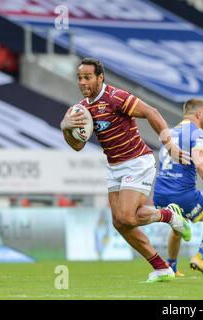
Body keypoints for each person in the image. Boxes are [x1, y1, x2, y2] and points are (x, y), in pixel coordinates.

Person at [60, 57, 192, 283]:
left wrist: (170, 145)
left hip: (137, 161)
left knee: (127, 217)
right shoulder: (80, 110)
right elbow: (78, 146)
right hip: (114, 167)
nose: (82, 82)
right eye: (79, 78)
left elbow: (152, 112)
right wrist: (66, 128)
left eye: (88, 77)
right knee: (120, 223)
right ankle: (161, 268)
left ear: (100, 77)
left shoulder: (115, 97)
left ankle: (170, 215)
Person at [153, 98, 203, 277]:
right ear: (199, 114)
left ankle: (172, 268)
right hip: (182, 195)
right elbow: (200, 164)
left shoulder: (170, 133)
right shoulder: (198, 134)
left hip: (159, 195)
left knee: (177, 227)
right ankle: (200, 257)